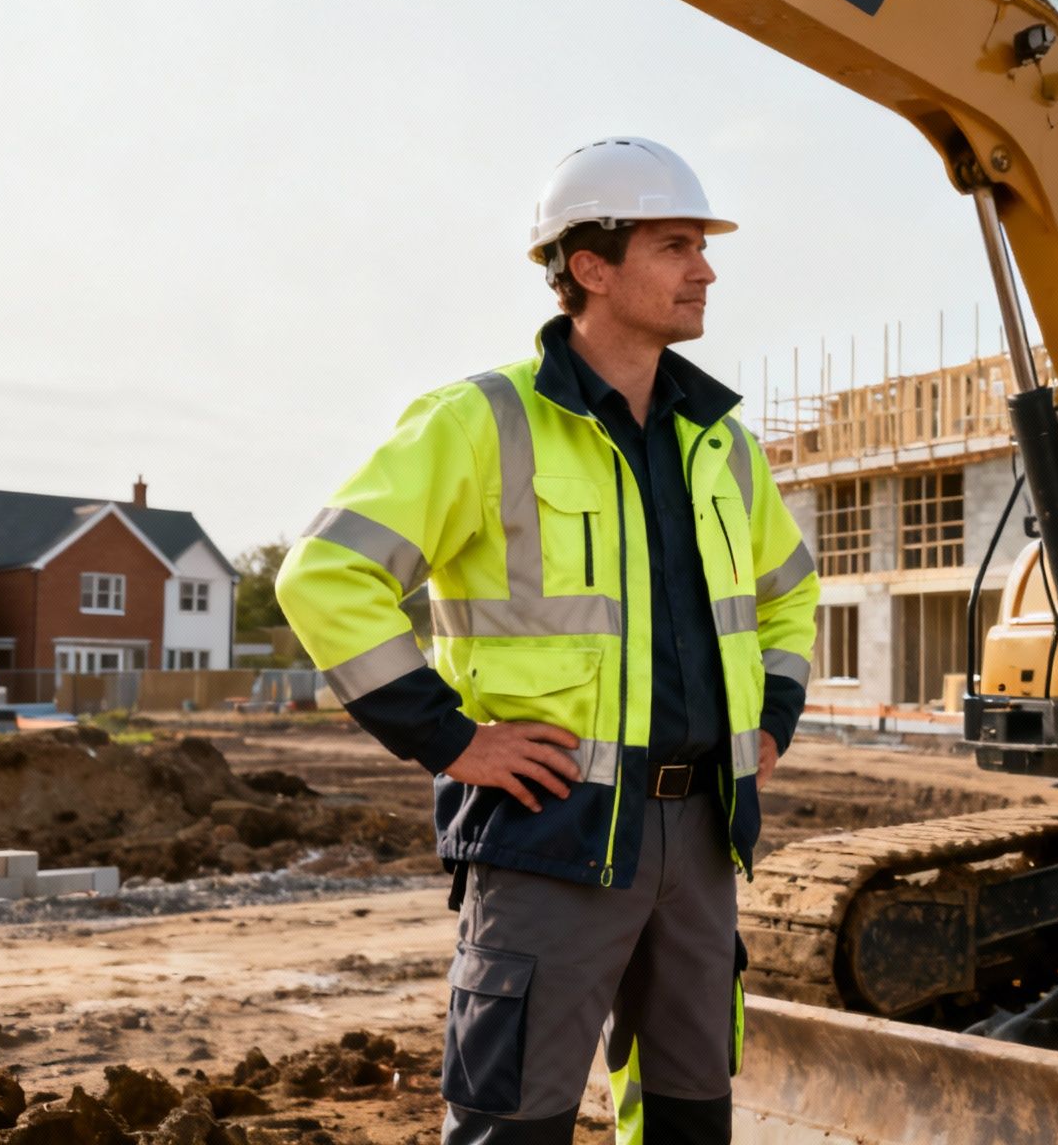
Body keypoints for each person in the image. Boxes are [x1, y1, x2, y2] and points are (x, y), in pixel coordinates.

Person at [276, 136, 819, 1145]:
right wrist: (449, 738)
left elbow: (788, 597)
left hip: (701, 837)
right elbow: (325, 575)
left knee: (690, 1118)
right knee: (512, 1122)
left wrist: (771, 720)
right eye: (674, 244)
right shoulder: (483, 421)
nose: (705, 268)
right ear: (589, 266)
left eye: (700, 244)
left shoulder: (724, 446)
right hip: (552, 833)